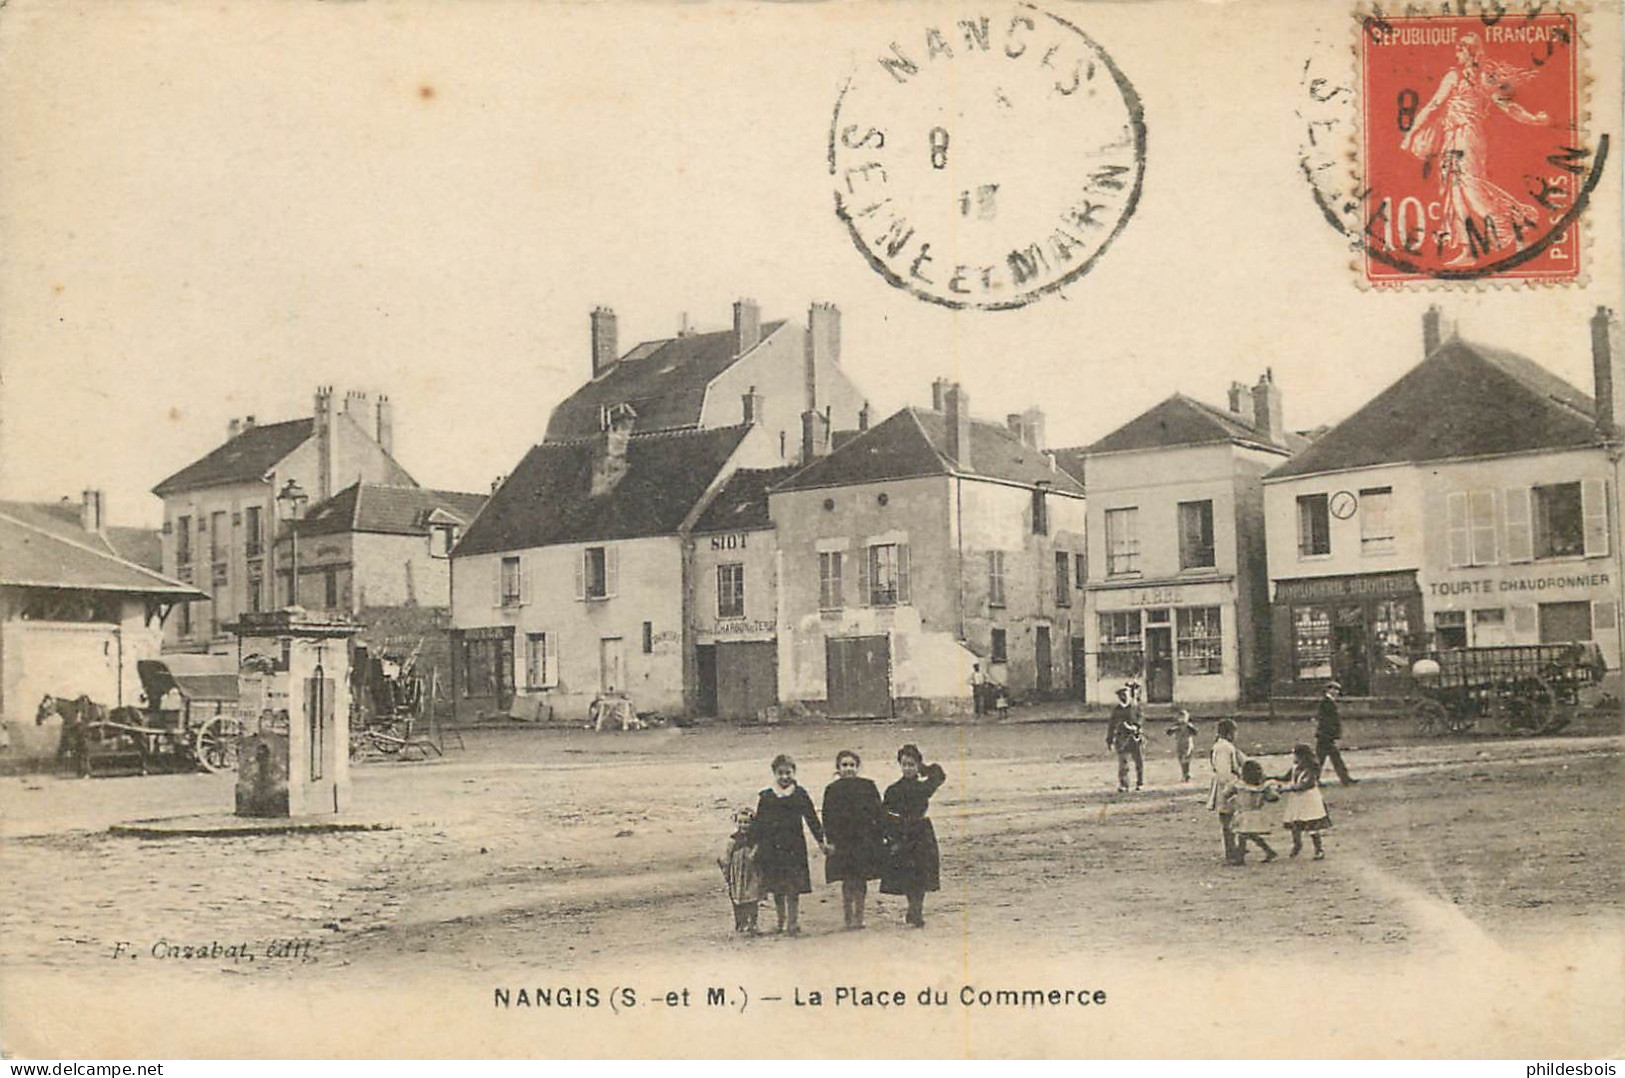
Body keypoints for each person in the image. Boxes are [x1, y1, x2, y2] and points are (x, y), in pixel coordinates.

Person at [1400, 33, 1549, 265]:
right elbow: (1508, 107)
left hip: (1466, 137)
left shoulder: (1462, 76)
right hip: (1454, 138)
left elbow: (1433, 106)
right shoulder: (1475, 77)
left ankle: (1514, 225)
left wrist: (1410, 135)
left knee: (1470, 188)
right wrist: (1534, 119)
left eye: (1459, 50)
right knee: (1456, 191)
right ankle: (1467, 250)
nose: (1456, 54)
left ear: (1468, 52)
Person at [750, 754, 829, 936]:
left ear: (794, 772)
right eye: (780, 773)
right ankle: (780, 922)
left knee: (793, 888)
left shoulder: (800, 794)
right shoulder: (767, 796)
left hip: (794, 847)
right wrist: (754, 846)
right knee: (777, 887)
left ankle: (793, 923)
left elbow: (811, 819)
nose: (784, 777)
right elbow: (760, 823)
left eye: (788, 772)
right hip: (772, 847)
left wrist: (821, 841)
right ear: (774, 773)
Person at [880, 744, 946, 928]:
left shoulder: (923, 787)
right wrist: (890, 836)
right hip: (903, 832)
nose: (908, 768)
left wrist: (923, 767)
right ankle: (912, 907)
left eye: (912, 764)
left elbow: (939, 774)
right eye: (905, 764)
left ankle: (917, 910)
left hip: (921, 831)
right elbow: (885, 814)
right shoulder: (894, 789)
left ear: (918, 765)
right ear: (900, 766)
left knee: (922, 873)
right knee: (908, 874)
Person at [821, 750, 886, 930]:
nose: (848, 769)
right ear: (838, 768)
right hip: (842, 840)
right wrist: (830, 840)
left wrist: (880, 836)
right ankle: (847, 917)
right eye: (844, 765)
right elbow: (827, 817)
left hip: (864, 840)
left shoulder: (868, 786)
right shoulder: (832, 790)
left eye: (852, 765)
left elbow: (878, 813)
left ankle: (860, 916)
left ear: (857, 767)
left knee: (861, 878)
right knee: (847, 879)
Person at [1277, 743, 1332, 860]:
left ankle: (1319, 849)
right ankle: (1297, 844)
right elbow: (1285, 778)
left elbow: (1306, 785)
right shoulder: (1294, 767)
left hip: (1309, 799)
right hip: (1297, 799)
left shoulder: (1312, 769)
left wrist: (1287, 788)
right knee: (1295, 822)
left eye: (1295, 755)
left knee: (1312, 824)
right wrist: (1269, 778)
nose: (1293, 757)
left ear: (1302, 756)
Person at [1206, 718, 1248, 865]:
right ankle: (1232, 852)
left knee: (1229, 819)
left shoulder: (1224, 746)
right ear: (1230, 733)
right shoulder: (1224, 748)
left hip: (1227, 786)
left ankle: (1234, 850)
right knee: (1228, 819)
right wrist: (1232, 787)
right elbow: (1224, 772)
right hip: (1227, 787)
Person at [718, 806, 764, 934]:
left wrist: (755, 853)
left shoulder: (755, 839)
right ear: (736, 823)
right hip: (737, 873)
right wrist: (725, 870)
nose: (743, 825)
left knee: (753, 897)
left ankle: (753, 923)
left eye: (746, 822)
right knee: (738, 898)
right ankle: (740, 923)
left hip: (752, 872)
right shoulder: (733, 839)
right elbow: (726, 857)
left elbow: (758, 851)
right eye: (740, 822)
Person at [1227, 759, 1280, 865]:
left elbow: (1226, 793)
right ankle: (1269, 851)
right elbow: (1273, 798)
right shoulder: (1262, 787)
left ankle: (1240, 857)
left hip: (1244, 813)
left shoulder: (1239, 785)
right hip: (1255, 813)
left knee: (1243, 835)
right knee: (1251, 835)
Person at [1316, 681, 1358, 786]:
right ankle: (1345, 779)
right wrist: (1332, 734)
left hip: (1326, 736)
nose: (1336, 692)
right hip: (1326, 736)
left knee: (1328, 759)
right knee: (1329, 759)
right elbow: (1327, 721)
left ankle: (1345, 779)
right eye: (1334, 689)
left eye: (1337, 689)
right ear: (1328, 690)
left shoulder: (1330, 702)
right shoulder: (1326, 703)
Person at [1106, 686, 1143, 791]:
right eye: (1122, 695)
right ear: (1119, 697)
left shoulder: (1135, 707)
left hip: (1135, 738)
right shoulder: (1116, 711)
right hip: (1121, 739)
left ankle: (1140, 782)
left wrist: (1134, 727)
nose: (1124, 697)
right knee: (1123, 762)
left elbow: (1141, 719)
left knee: (1138, 761)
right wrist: (1109, 740)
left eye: (1126, 695)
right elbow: (1111, 726)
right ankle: (1124, 784)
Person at [1165, 709, 1198, 782]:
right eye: (1180, 717)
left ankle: (1186, 774)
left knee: (1185, 758)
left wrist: (1191, 728)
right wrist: (1171, 730)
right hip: (1179, 743)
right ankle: (1185, 774)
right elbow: (1169, 732)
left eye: (1184, 717)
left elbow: (1195, 732)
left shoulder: (1188, 726)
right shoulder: (1176, 726)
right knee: (1181, 759)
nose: (1182, 719)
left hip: (1187, 743)